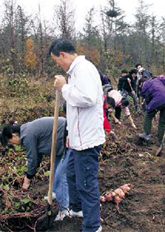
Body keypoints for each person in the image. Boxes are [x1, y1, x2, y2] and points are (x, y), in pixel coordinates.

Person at [51, 38, 104, 232]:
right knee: (72, 174)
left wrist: (64, 87)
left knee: (86, 184)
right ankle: (78, 210)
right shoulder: (75, 72)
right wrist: (69, 133)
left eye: (57, 61)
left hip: (87, 141)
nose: (59, 65)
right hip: (77, 139)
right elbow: (74, 108)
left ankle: (92, 226)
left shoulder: (83, 69)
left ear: (63, 55)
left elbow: (87, 98)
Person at [0, 117, 70, 222]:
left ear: (14, 136)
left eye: (11, 142)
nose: (13, 144)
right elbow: (37, 156)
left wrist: (27, 179)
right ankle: (55, 193)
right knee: (55, 169)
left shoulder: (27, 135)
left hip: (67, 136)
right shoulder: (27, 130)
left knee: (61, 176)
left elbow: (33, 159)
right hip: (60, 141)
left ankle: (65, 210)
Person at [138, 75, 165, 145]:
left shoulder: (144, 88)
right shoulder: (157, 79)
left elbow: (148, 101)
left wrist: (149, 109)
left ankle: (146, 134)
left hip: (158, 100)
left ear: (141, 83)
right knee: (163, 122)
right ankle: (161, 141)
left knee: (148, 115)